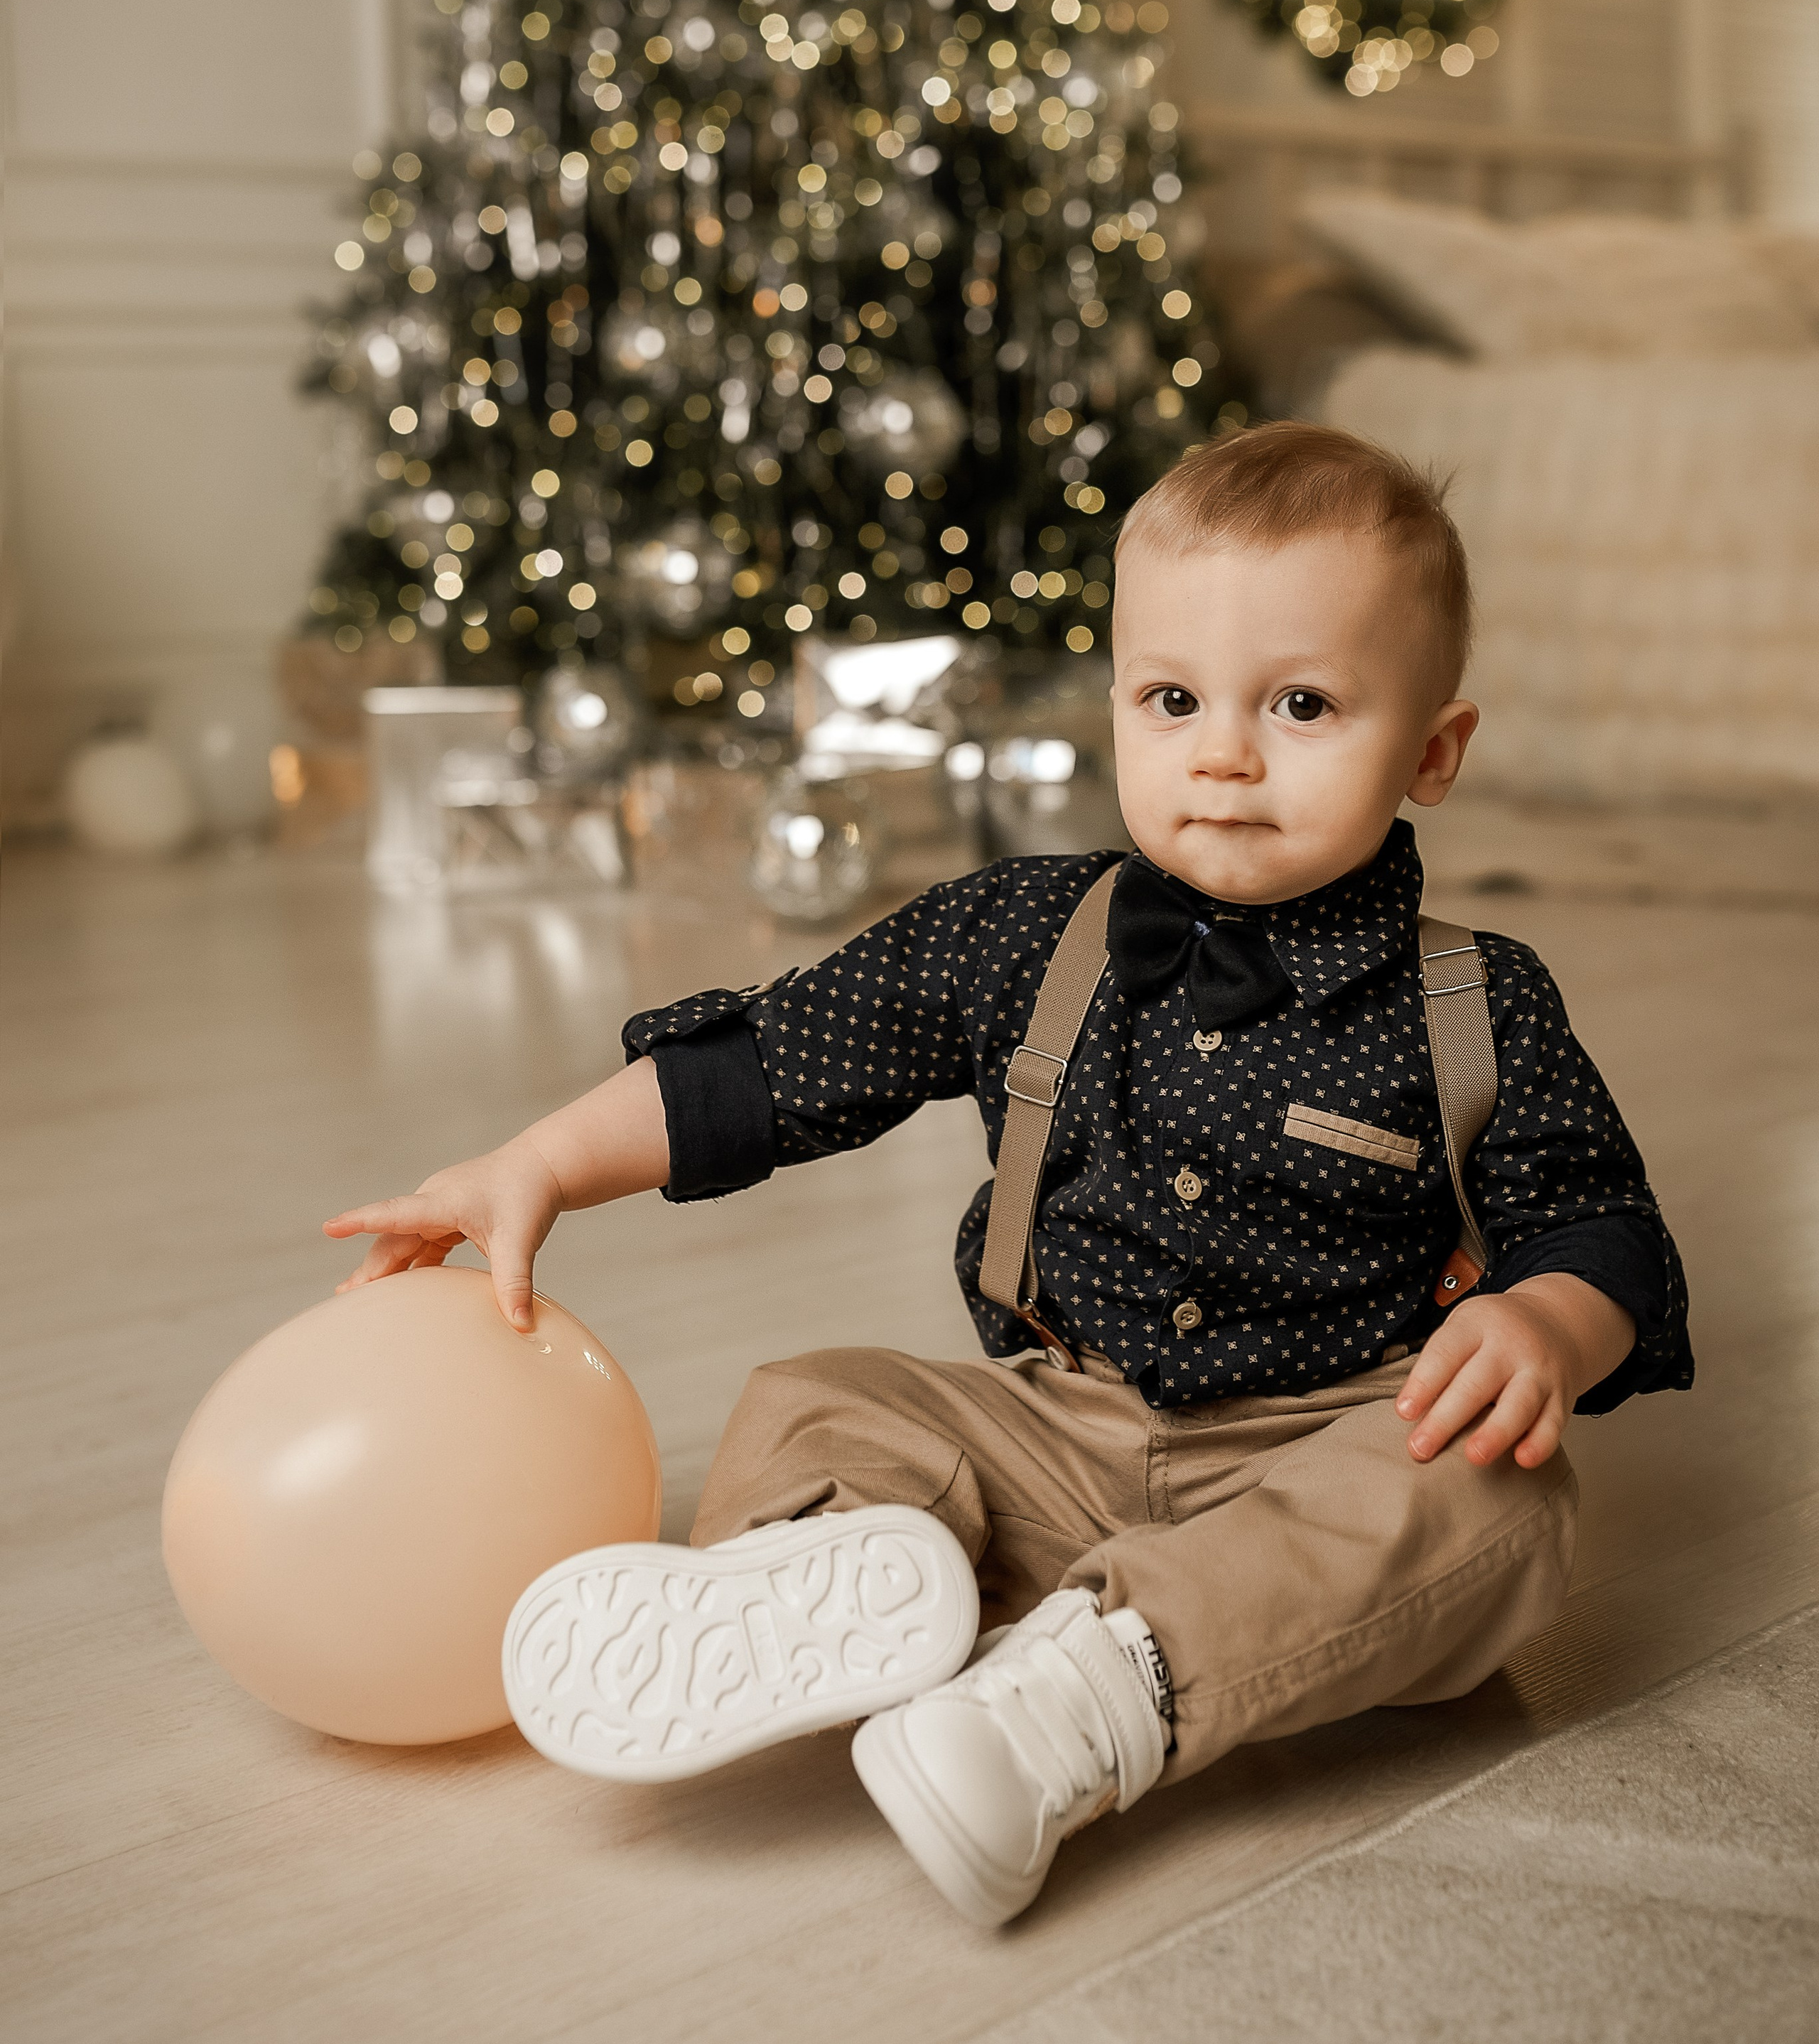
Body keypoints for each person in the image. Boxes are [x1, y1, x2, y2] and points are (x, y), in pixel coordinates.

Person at [327, 423, 1692, 1927]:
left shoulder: (1476, 1001)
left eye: (1300, 703)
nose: (1223, 752)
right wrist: (539, 1163)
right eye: (1172, 698)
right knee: (815, 1394)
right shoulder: (1020, 931)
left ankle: (1088, 1698)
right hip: (1062, 1422)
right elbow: (774, 1063)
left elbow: (1600, 1221)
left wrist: (1550, 1323)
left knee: (1504, 1512)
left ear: (1429, 748)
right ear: (1114, 704)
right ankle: (824, 1575)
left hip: (1328, 1442)